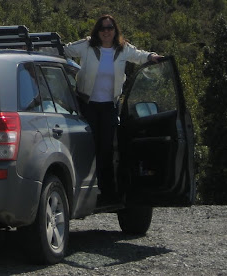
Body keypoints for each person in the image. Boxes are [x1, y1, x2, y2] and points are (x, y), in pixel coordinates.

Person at [64, 14, 163, 204]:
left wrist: (151, 56)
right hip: (87, 105)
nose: (106, 32)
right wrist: (37, 48)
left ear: (115, 30)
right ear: (97, 31)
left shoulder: (122, 49)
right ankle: (84, 190)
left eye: (110, 28)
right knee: (89, 146)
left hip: (110, 106)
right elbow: (65, 50)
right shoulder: (87, 46)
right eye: (102, 28)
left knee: (107, 149)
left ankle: (106, 192)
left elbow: (138, 55)